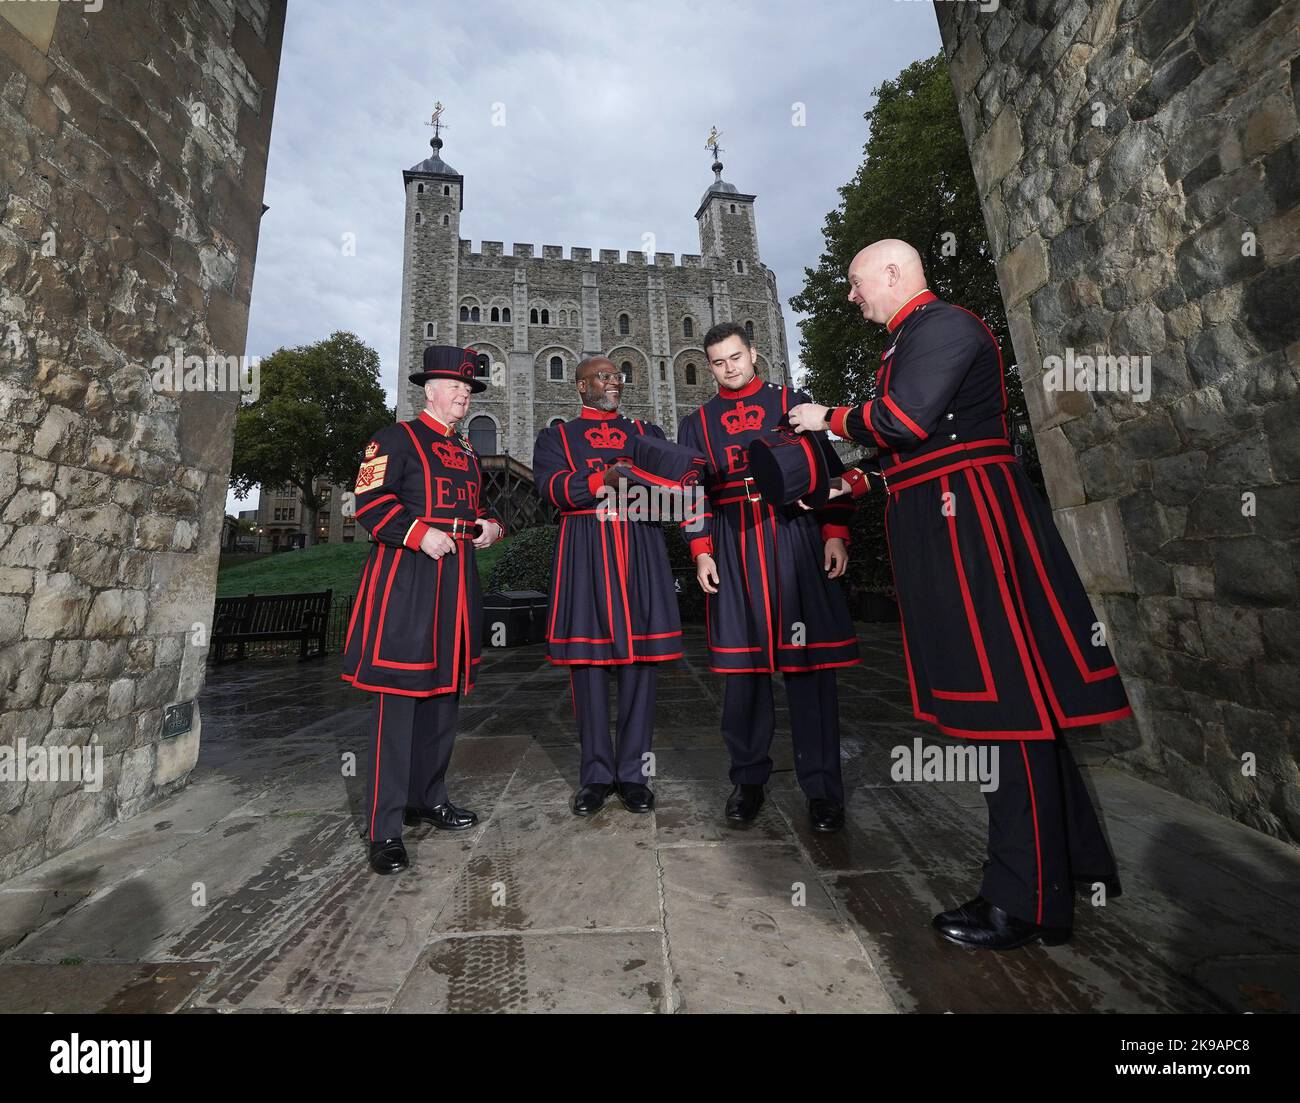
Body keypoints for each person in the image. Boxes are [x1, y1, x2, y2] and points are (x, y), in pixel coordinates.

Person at [788, 239, 1131, 948]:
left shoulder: (941, 325)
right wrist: (840, 485)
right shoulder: (908, 339)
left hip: (972, 531)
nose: (851, 297)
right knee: (1011, 708)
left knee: (1008, 712)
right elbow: (916, 453)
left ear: (894, 273)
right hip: (949, 523)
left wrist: (830, 417)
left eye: (857, 283)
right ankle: (1074, 868)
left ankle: (1026, 903)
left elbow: (904, 423)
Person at [678, 322, 860, 833]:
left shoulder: (792, 401)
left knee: (809, 672)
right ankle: (748, 780)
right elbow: (693, 492)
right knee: (744, 676)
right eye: (717, 362)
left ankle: (823, 790)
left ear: (753, 354)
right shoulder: (696, 423)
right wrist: (700, 549)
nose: (729, 367)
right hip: (734, 546)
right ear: (708, 366)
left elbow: (828, 471)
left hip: (794, 540)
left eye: (736, 357)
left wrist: (834, 533)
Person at [341, 344, 505, 875]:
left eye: (468, 389)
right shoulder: (393, 439)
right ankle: (384, 828)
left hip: (458, 580)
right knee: (399, 703)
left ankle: (428, 799)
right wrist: (416, 534)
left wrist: (488, 526)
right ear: (429, 390)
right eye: (456, 387)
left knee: (444, 694)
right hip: (406, 580)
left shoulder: (468, 453)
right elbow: (368, 503)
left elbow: (476, 507)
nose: (464, 395)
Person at [532, 356, 692, 816]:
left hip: (640, 544)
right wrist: (604, 479)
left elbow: (673, 489)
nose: (614, 381)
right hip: (586, 548)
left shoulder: (646, 431)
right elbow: (553, 489)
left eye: (617, 375)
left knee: (643, 665)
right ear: (581, 387)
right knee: (588, 666)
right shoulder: (556, 436)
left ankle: (634, 776)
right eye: (602, 377)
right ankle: (596, 776)